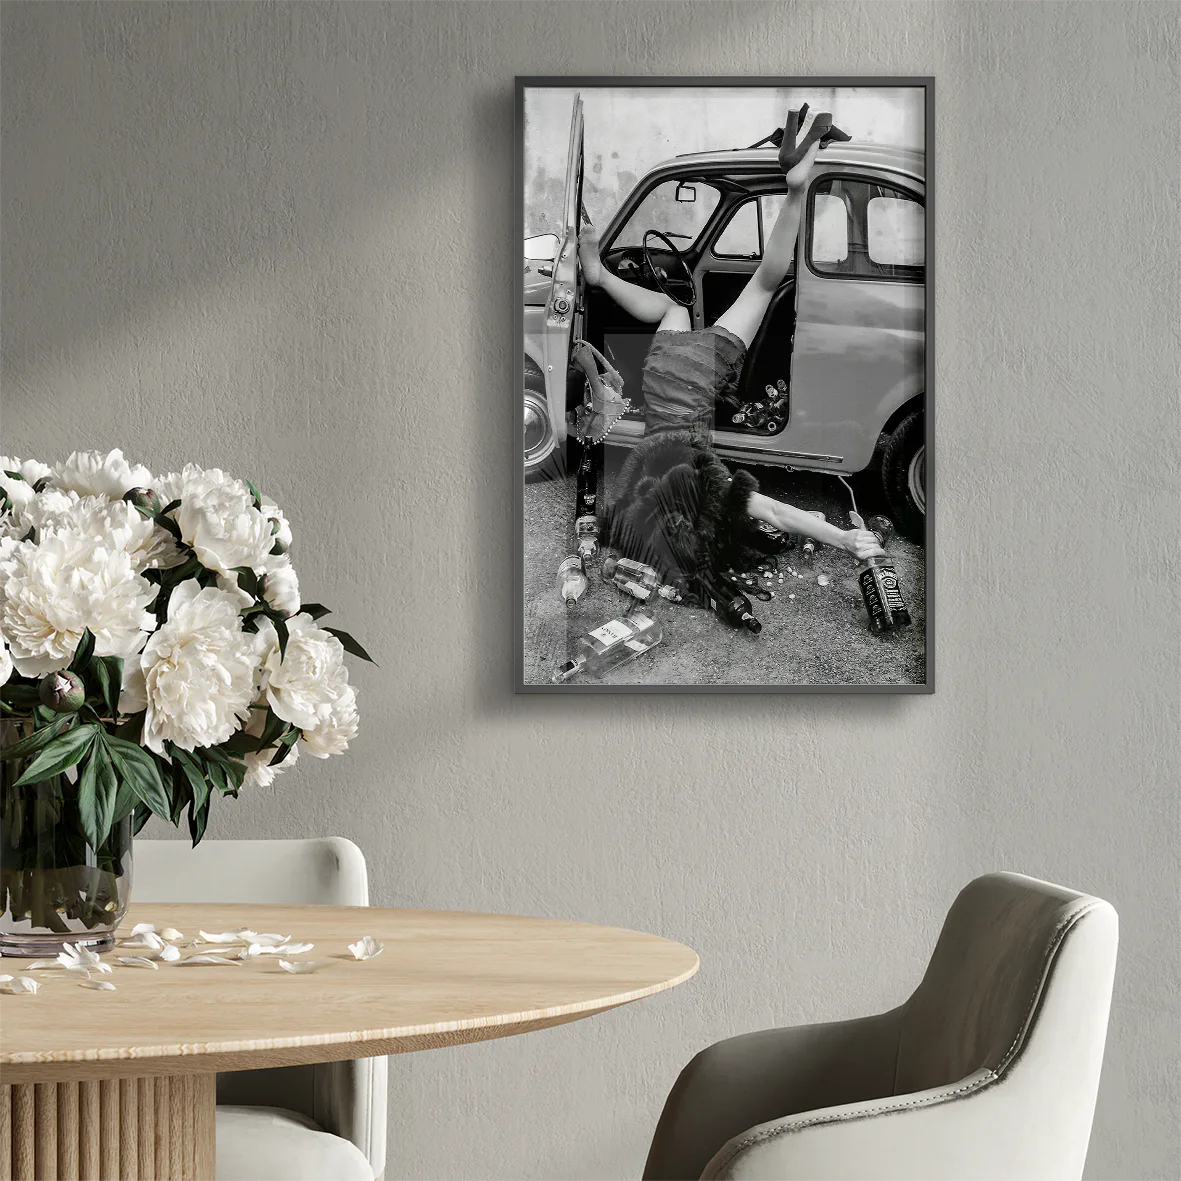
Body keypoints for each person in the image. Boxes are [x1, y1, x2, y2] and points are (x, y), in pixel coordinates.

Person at [577, 108, 884, 577]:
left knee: (763, 283)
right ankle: (600, 275)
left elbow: (777, 512)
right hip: (659, 377)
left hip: (698, 376)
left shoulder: (710, 486)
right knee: (673, 308)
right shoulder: (642, 489)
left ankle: (798, 187)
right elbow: (617, 525)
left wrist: (844, 538)